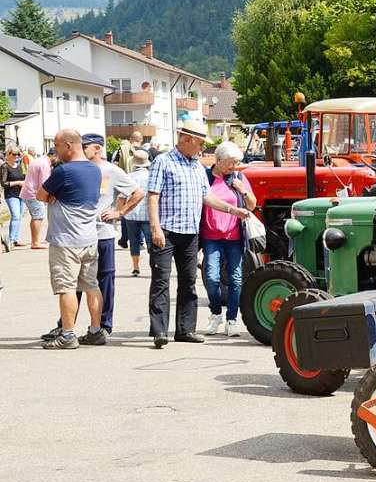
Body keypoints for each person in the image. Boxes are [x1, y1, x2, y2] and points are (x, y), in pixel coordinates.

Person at [147, 120, 249, 349]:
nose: (203, 147)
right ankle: (159, 330)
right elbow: (152, 196)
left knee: (188, 282)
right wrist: (155, 227)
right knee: (161, 282)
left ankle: (185, 330)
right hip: (166, 230)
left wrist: (233, 210)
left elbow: (207, 197)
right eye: (201, 142)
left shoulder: (196, 166)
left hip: (190, 232)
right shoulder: (163, 162)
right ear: (188, 139)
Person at [41, 135, 144, 343]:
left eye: (86, 146)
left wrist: (119, 212)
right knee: (76, 284)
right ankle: (66, 326)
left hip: (101, 233)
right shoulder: (79, 169)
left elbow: (138, 193)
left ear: (97, 148)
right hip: (82, 233)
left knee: (100, 282)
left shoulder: (111, 171)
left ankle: (102, 326)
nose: (82, 149)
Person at [35, 129, 104, 349]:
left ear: (69, 145)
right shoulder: (95, 170)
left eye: (57, 145)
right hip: (89, 238)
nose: (55, 150)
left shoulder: (63, 171)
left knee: (66, 287)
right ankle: (95, 331)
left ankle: (67, 334)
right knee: (92, 286)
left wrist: (53, 196)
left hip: (66, 240)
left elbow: (40, 195)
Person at [201, 141, 256, 337]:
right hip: (211, 235)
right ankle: (216, 314)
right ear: (218, 161)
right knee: (211, 277)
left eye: (236, 163)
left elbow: (252, 205)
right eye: (230, 163)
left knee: (235, 278)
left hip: (234, 235)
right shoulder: (205, 177)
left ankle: (232, 320)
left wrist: (243, 190)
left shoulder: (239, 177)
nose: (234, 167)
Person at [124, 149, 153, 277]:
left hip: (131, 214)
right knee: (151, 242)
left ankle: (136, 267)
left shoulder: (128, 177)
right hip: (148, 214)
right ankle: (154, 267)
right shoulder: (151, 176)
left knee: (134, 241)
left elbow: (122, 195)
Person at [21, 146, 55, 249]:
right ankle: (35, 243)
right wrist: (48, 198)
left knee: (36, 215)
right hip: (33, 193)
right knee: (38, 216)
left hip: (29, 192)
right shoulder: (45, 164)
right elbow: (44, 184)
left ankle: (35, 241)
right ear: (54, 156)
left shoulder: (39, 160)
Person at [2, 147, 26, 246]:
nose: (16, 156)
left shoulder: (20, 166)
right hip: (11, 194)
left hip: (21, 194)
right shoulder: (5, 166)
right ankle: (11, 240)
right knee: (15, 216)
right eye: (14, 154)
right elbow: (3, 183)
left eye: (18, 154)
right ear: (8, 154)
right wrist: (18, 182)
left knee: (19, 217)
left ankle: (15, 239)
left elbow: (25, 178)